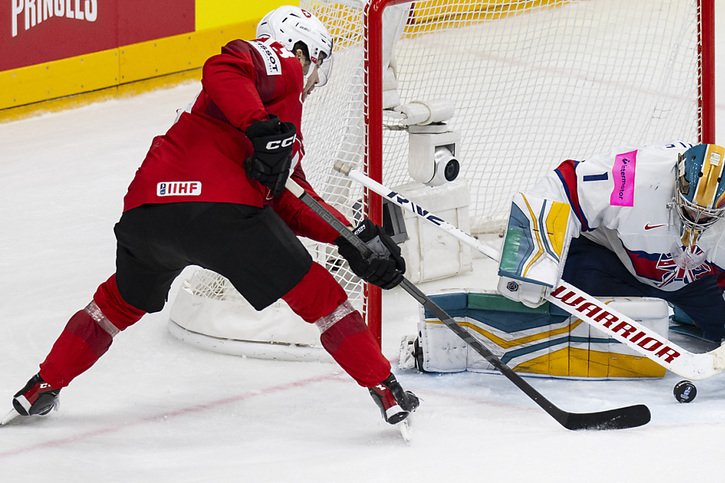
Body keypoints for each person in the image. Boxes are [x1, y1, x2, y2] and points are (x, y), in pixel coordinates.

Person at [9, 6, 418, 427]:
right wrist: (259, 124)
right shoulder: (280, 64)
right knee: (319, 296)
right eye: (317, 65)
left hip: (149, 213)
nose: (314, 82)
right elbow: (223, 65)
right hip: (224, 217)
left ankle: (43, 385)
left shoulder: (275, 132)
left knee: (115, 303)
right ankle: (385, 389)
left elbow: (292, 201)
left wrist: (348, 238)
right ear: (302, 49)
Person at [498, 141, 725, 343]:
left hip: (692, 281)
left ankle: (686, 313)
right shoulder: (636, 175)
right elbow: (564, 186)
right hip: (613, 263)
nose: (696, 220)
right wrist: (533, 260)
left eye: (708, 215)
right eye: (690, 208)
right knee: (592, 323)